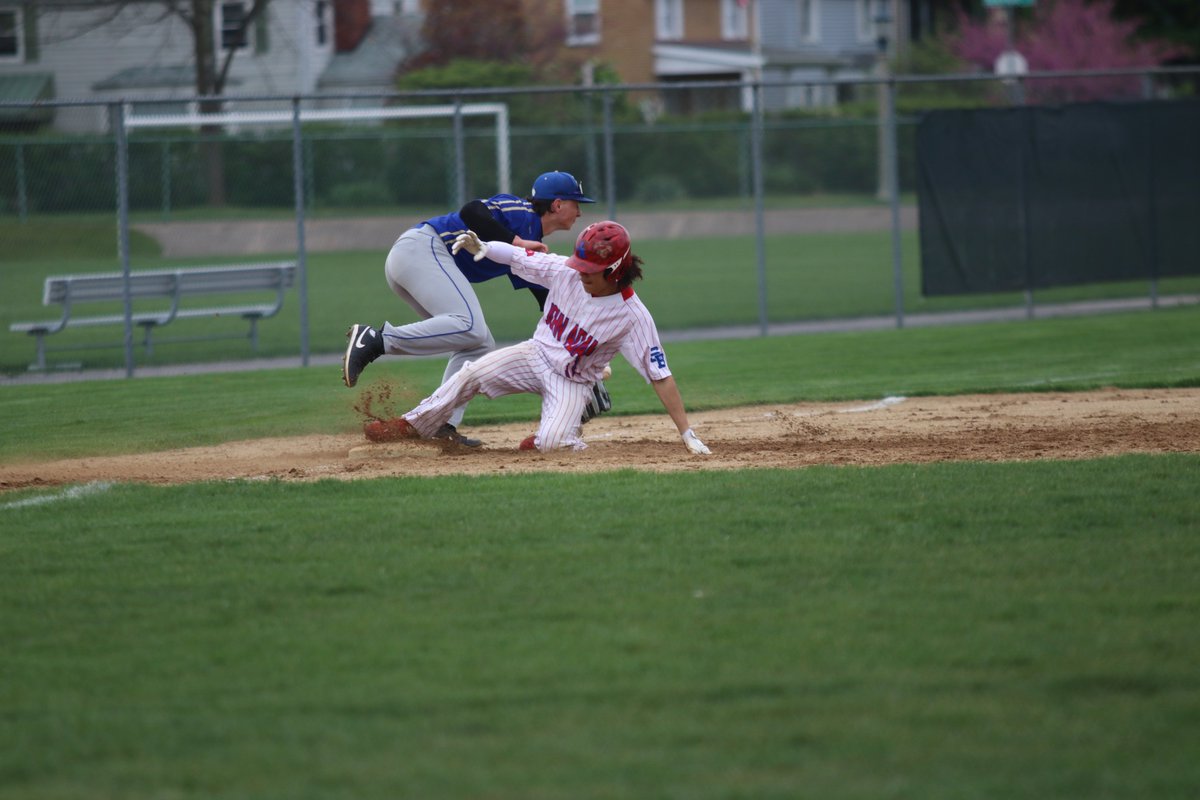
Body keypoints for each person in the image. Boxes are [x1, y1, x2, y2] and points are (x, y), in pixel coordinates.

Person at [344, 220, 712, 457]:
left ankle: (552, 436)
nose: (580, 272)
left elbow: (660, 375)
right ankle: (414, 424)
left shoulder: (632, 317)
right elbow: (518, 257)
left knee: (553, 446)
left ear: (615, 270)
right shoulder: (566, 272)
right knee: (470, 373)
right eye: (580, 264)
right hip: (533, 355)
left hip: (572, 380)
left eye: (590, 269)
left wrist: (687, 433)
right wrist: (485, 249)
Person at [341, 170, 605, 447]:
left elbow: (549, 304)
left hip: (417, 263)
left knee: (477, 343)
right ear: (557, 204)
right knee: (469, 325)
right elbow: (472, 212)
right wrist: (516, 242)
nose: (580, 213)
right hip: (421, 249)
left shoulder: (533, 243)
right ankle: (376, 340)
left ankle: (442, 424)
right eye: (577, 204)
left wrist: (582, 364)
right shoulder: (523, 213)